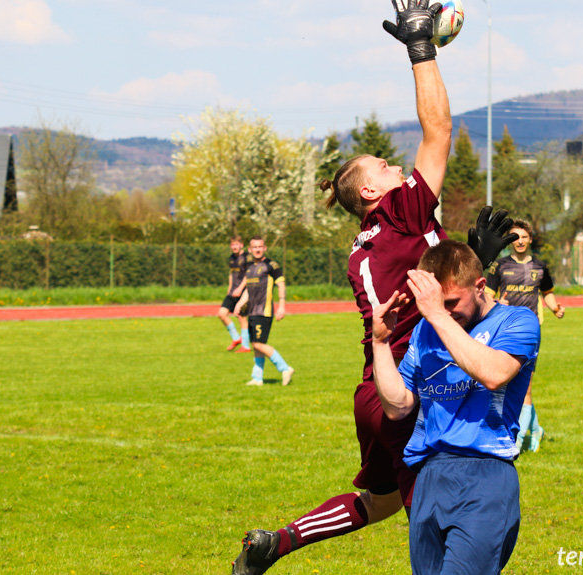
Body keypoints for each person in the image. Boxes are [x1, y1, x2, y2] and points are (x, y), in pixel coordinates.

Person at [231, 1, 516, 572]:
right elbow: (439, 132)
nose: (396, 168)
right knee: (446, 518)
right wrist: (421, 48)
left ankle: (277, 543)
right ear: (371, 194)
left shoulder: (371, 240)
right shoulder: (400, 214)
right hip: (415, 385)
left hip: (376, 387)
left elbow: (421, 280)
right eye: (384, 166)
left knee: (380, 502)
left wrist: (465, 260)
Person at [371, 240, 540, 575]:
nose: (444, 312)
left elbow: (494, 374)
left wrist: (434, 312)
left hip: (485, 476)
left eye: (451, 302)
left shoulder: (517, 321)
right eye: (437, 305)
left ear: (480, 287)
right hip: (430, 477)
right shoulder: (426, 330)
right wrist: (380, 343)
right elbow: (398, 406)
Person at [485, 219, 564, 453]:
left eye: (523, 236)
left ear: (530, 239)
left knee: (525, 386)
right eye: (515, 237)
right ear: (509, 241)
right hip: (504, 328)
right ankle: (536, 428)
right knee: (507, 383)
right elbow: (488, 296)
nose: (519, 241)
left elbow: (548, 293)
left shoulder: (540, 267)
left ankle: (515, 442)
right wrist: (499, 303)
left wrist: (555, 308)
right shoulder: (498, 266)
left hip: (530, 332)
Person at [233, 236, 294, 386]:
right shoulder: (249, 267)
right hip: (252, 312)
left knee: (259, 344)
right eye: (255, 247)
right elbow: (249, 289)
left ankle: (285, 368)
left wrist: (282, 305)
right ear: (249, 249)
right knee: (256, 345)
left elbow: (281, 285)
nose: (258, 249)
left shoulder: (271, 265)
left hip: (264, 312)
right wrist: (239, 303)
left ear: (265, 248)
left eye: (260, 246)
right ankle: (257, 378)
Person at [219, 236, 252, 353]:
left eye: (236, 244)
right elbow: (231, 274)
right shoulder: (232, 258)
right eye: (232, 245)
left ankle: (246, 346)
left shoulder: (247, 257)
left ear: (241, 245)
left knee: (241, 318)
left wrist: (240, 288)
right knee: (222, 314)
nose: (234, 247)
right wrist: (230, 289)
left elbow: (248, 275)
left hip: (243, 292)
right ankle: (236, 338)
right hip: (232, 292)